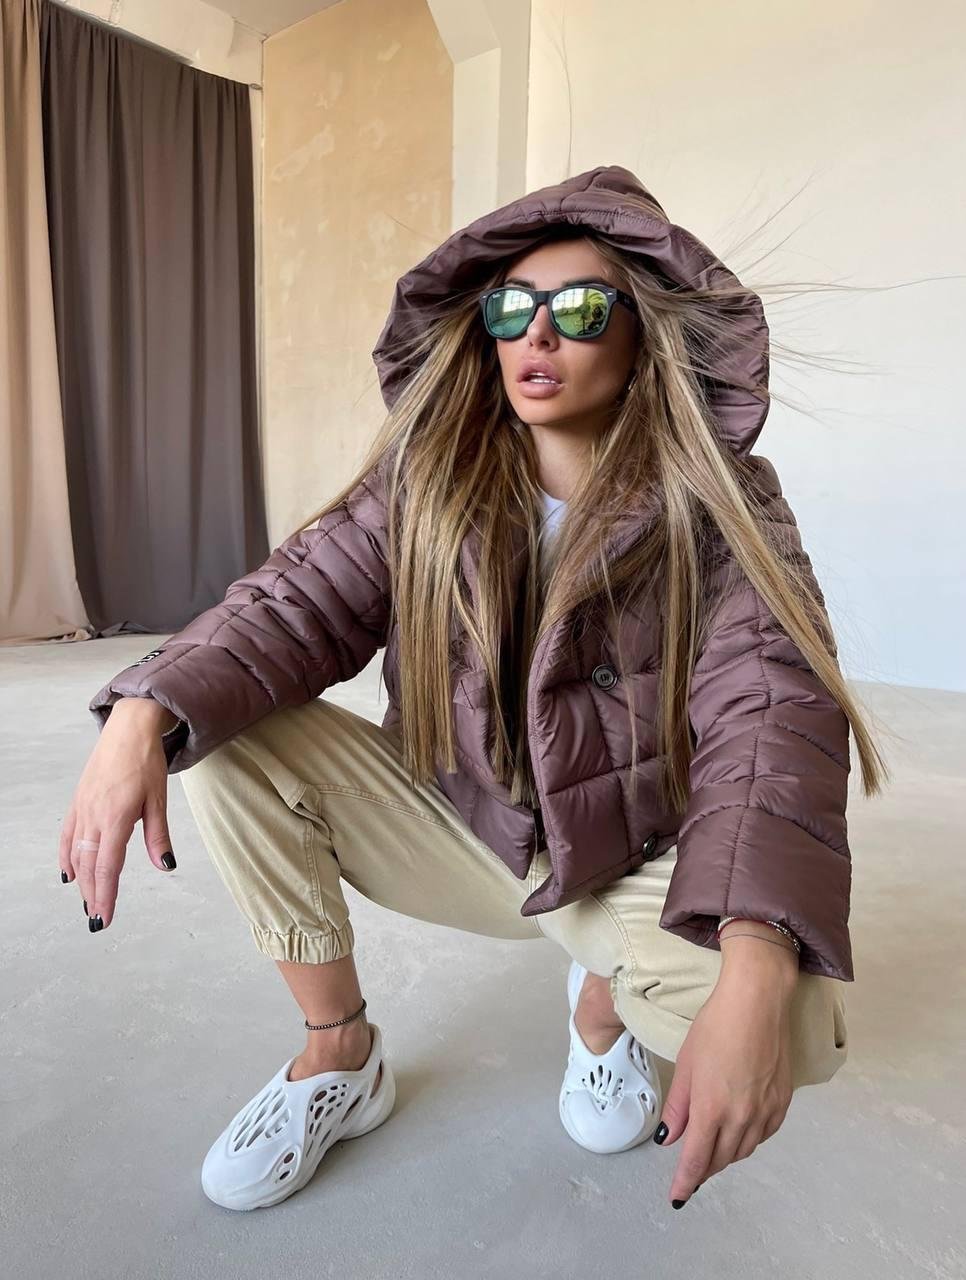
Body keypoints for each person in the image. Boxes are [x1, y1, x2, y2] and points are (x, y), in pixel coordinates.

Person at [59, 165, 888, 1214]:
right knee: (222, 740)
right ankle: (340, 1050)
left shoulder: (720, 500)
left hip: (637, 854)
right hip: (470, 828)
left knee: (793, 1020)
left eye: (580, 310)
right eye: (511, 308)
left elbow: (770, 713)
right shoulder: (427, 478)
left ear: (643, 334)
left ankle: (600, 1007)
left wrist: (758, 957)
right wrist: (143, 710)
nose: (538, 334)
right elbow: (292, 604)